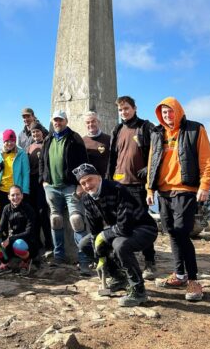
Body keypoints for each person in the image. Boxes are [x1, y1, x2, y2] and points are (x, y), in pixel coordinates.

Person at [146, 97, 210, 302]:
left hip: (185, 190)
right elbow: (152, 161)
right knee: (172, 233)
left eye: (170, 111)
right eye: (164, 113)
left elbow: (206, 159)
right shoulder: (158, 133)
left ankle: (193, 280)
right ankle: (179, 274)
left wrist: (205, 185)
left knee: (183, 233)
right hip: (164, 192)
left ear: (179, 111)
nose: (167, 116)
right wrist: (150, 189)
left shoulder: (195, 129)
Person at [74, 163, 158, 306]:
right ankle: (118, 277)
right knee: (85, 244)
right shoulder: (87, 199)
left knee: (120, 245)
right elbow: (95, 231)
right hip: (119, 229)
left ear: (99, 178)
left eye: (90, 180)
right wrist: (99, 256)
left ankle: (138, 291)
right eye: (83, 183)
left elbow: (124, 227)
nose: (87, 185)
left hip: (143, 228)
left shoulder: (117, 189)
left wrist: (103, 236)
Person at [107, 96, 157, 280]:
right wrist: (108, 180)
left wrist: (149, 169)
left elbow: (156, 152)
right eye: (120, 110)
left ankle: (150, 261)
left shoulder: (145, 127)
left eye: (126, 108)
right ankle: (122, 259)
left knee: (142, 223)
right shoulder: (117, 129)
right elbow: (113, 157)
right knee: (120, 223)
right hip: (119, 184)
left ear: (134, 108)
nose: (124, 112)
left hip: (138, 185)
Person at [39, 110, 90, 275]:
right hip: (52, 187)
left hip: (70, 186)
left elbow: (84, 162)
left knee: (77, 221)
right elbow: (42, 161)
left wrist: (81, 183)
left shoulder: (75, 138)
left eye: (60, 120)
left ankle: (84, 260)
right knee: (55, 220)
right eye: (55, 120)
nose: (57, 123)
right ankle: (58, 256)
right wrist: (44, 181)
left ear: (66, 121)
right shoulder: (48, 139)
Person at [0, 185, 37, 275]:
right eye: (13, 195)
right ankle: (5, 263)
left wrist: (10, 239)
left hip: (26, 243)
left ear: (22, 195)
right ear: (8, 197)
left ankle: (26, 262)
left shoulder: (29, 209)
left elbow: (29, 232)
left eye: (18, 194)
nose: (15, 197)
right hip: (10, 242)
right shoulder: (6, 208)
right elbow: (1, 226)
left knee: (19, 244)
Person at [26, 122, 53, 254]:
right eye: (33, 132)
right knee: (33, 213)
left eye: (37, 131)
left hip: (42, 181)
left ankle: (49, 242)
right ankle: (36, 241)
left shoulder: (47, 144)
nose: (35, 134)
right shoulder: (29, 147)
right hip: (31, 182)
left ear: (42, 132)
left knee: (43, 212)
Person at [0, 129, 30, 211]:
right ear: (3, 142)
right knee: (2, 217)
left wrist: (25, 191)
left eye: (12, 141)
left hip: (15, 192)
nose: (9, 143)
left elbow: (26, 174)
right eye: (7, 141)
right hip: (1, 191)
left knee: (16, 216)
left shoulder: (21, 154)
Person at [82, 111, 111, 178]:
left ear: (98, 122)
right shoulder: (82, 141)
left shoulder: (109, 139)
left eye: (93, 121)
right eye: (88, 122)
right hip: (89, 180)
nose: (91, 124)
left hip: (105, 179)